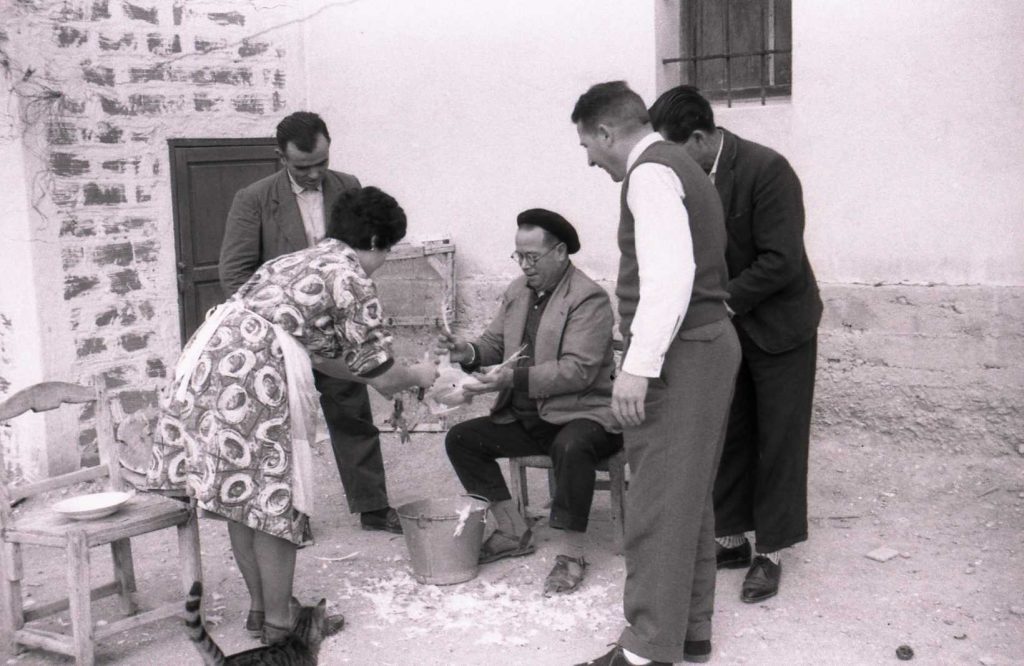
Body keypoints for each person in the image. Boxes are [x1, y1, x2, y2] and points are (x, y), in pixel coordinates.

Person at [147, 186, 437, 643]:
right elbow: (382, 375)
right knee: (275, 499)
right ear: (376, 242)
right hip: (253, 371)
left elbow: (327, 360)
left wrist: (380, 374)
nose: (383, 262)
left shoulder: (294, 261)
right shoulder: (351, 276)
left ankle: (261, 610)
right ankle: (281, 625)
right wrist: (422, 374)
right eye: (388, 252)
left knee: (243, 495)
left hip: (211, 362)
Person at [571, 82, 740, 665]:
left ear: (606, 132)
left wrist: (637, 368)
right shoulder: (679, 164)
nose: (589, 160)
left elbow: (669, 276)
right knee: (686, 495)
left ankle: (646, 649)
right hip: (704, 342)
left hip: (681, 351)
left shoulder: (649, 174)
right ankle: (689, 628)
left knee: (657, 502)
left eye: (587, 145)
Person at [649, 86, 822, 604]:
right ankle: (730, 538)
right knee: (731, 431)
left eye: (675, 150)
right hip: (727, 330)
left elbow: (781, 259)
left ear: (701, 138)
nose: (670, 163)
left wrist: (721, 303)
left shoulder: (768, 170)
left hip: (781, 328)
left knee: (779, 439)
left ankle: (771, 551)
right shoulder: (684, 178)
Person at [219, 111, 403, 535]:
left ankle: (373, 505)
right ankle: (288, 514)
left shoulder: (348, 185)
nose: (315, 174)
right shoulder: (253, 198)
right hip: (280, 339)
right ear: (280, 157)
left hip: (333, 331)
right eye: (303, 167)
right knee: (284, 429)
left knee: (353, 415)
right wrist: (278, 323)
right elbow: (235, 273)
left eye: (322, 162)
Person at [440, 208, 622, 595]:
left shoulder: (588, 298)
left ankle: (572, 555)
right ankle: (513, 530)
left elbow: (577, 371)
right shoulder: (518, 291)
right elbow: (494, 344)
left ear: (560, 252)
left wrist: (512, 378)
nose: (524, 266)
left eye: (532, 257)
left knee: (571, 446)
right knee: (461, 439)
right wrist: (466, 351)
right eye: (518, 256)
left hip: (585, 414)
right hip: (531, 415)